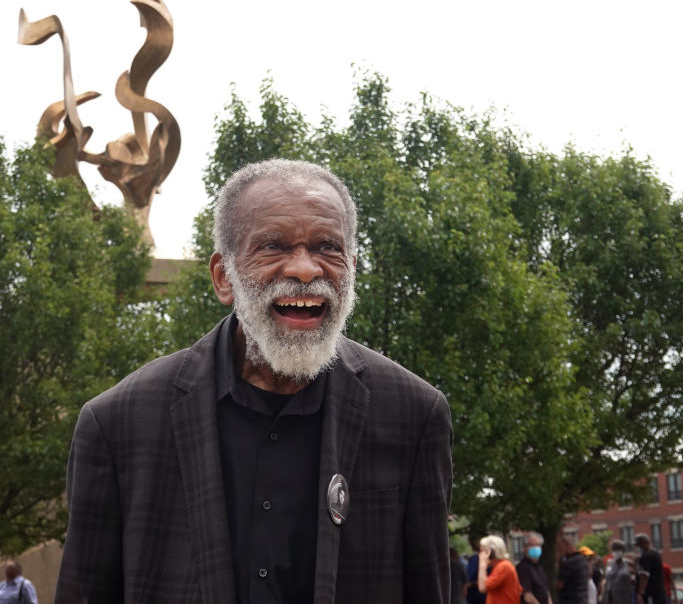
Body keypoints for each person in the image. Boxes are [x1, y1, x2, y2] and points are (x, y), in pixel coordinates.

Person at [54, 159, 455, 603]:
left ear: (352, 268)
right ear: (223, 277)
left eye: (327, 247)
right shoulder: (118, 424)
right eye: (273, 246)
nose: (305, 269)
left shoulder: (413, 415)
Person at [476, 535, 522, 604]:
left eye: (483, 551)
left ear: (492, 553)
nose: (480, 555)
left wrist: (482, 564)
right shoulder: (499, 566)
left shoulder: (503, 567)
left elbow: (482, 587)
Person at [518, 532, 553, 604]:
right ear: (525, 548)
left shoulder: (539, 567)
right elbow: (527, 596)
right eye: (532, 545)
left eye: (538, 545)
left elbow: (546, 590)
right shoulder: (522, 568)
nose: (535, 547)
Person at [635, 534, 668, 604]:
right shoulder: (656, 554)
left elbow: (644, 576)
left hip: (651, 594)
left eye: (638, 545)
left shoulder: (646, 556)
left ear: (644, 544)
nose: (637, 548)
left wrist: (640, 594)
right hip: (659, 594)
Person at [558, 534, 591, 604]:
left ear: (567, 545)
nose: (560, 550)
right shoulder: (583, 560)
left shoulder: (568, 563)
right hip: (582, 599)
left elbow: (559, 585)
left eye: (560, 547)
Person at [602, 540, 633, 604]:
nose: (616, 552)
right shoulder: (609, 563)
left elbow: (634, 579)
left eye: (618, 549)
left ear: (623, 550)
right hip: (609, 598)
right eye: (614, 549)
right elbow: (605, 580)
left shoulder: (629, 563)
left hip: (623, 598)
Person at [466, 538, 488, 604]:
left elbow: (469, 579)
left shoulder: (475, 559)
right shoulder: (474, 558)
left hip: (478, 597)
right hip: (480, 596)